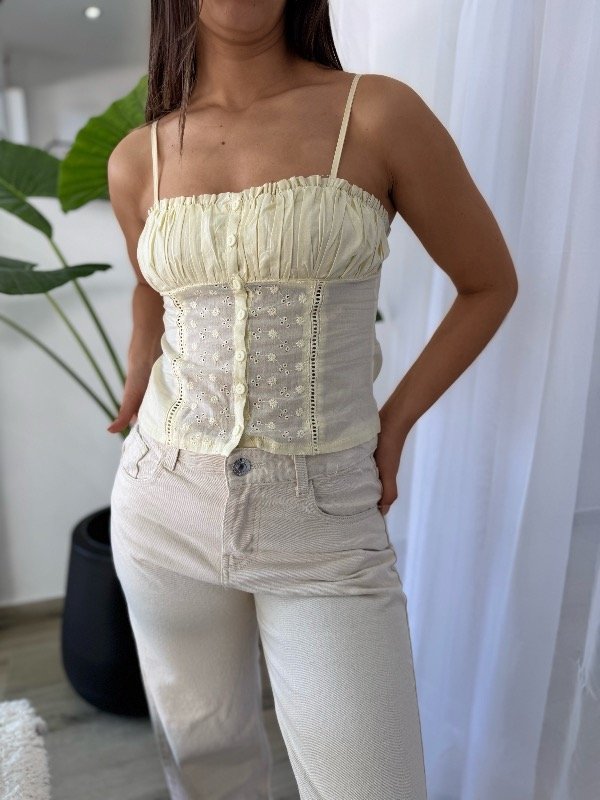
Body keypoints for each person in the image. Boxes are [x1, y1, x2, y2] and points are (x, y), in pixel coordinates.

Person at [107, 1, 518, 798]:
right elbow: (153, 291)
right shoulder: (138, 158)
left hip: (324, 518)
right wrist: (135, 374)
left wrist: (395, 423)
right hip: (162, 505)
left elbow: (488, 283)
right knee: (208, 770)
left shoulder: (378, 113)